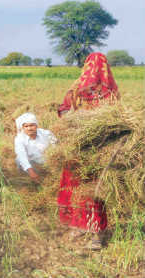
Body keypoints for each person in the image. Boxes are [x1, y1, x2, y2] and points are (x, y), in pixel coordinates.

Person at [57, 52, 119, 250]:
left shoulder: (109, 92)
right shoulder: (79, 91)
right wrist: (77, 118)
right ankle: (80, 226)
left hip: (96, 152)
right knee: (78, 189)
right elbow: (64, 112)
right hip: (79, 149)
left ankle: (96, 234)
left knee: (93, 191)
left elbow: (117, 122)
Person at [58, 52, 119, 117]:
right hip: (98, 119)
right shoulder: (111, 87)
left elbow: (65, 107)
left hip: (83, 119)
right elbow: (116, 109)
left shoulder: (78, 85)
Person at [14, 113, 57, 182]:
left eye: (31, 125)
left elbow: (56, 147)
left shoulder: (46, 133)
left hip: (47, 161)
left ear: (36, 125)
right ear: (23, 128)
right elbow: (22, 156)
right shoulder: (19, 139)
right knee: (18, 159)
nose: (29, 128)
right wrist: (31, 172)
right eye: (26, 126)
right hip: (31, 164)